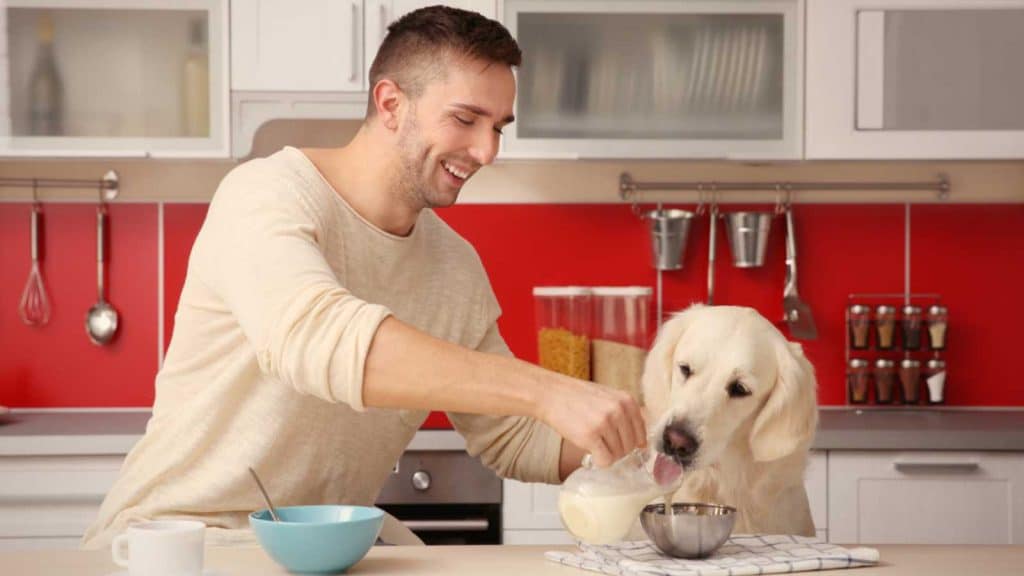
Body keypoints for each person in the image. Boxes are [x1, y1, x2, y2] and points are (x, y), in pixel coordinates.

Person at [82, 6, 646, 549]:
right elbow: (319, 337)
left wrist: (661, 435)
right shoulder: (267, 194)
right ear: (391, 103)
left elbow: (513, 436)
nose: (487, 150)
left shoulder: (454, 267)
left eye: (498, 126)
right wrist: (548, 390)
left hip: (322, 550)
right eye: (465, 119)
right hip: (179, 541)